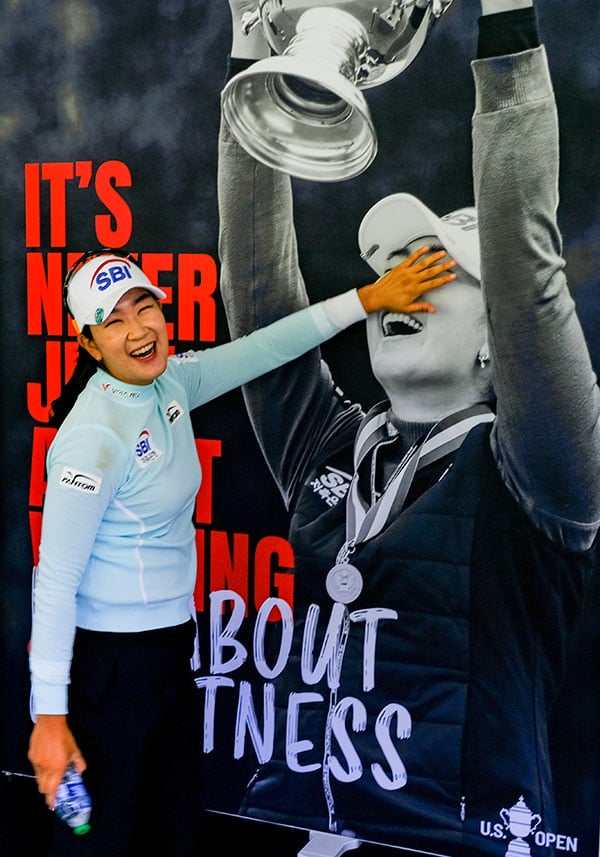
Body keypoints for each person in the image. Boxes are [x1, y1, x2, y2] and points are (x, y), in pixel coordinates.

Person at [217, 1, 600, 855]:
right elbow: (259, 299)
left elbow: (528, 274)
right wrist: (253, 43)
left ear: (498, 334)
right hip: (282, 830)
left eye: (435, 270)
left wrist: (505, 23)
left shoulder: (541, 476)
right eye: (391, 267)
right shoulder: (327, 448)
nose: (401, 283)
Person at [27, 246, 454, 857]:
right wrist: (49, 719)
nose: (138, 329)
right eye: (113, 320)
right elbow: (54, 580)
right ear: (91, 346)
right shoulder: (90, 441)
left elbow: (265, 348)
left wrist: (367, 300)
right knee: (103, 837)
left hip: (169, 652)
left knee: (172, 824)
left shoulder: (169, 381)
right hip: (110, 669)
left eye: (143, 307)